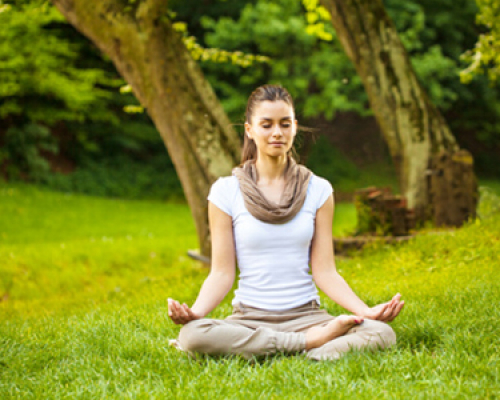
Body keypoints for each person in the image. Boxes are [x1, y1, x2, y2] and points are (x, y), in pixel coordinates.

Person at [168, 84, 405, 361]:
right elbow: (222, 273)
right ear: (249, 130)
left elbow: (325, 271)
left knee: (381, 332)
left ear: (295, 126)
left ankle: (288, 348)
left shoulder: (318, 189)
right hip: (249, 318)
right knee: (193, 334)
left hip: (307, 315)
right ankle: (312, 346)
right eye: (266, 125)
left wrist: (365, 312)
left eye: (284, 124)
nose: (277, 133)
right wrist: (195, 314)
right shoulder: (225, 191)